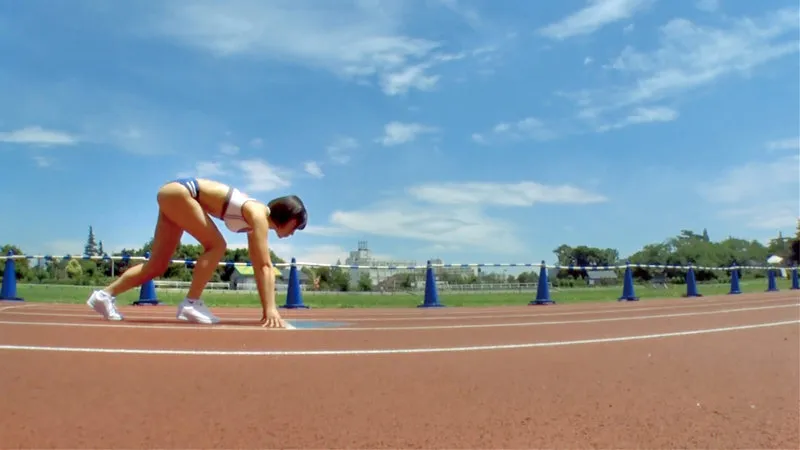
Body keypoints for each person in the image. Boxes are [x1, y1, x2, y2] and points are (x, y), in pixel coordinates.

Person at [86, 178, 307, 328]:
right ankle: (192, 302)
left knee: (158, 264)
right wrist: (271, 310)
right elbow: (266, 266)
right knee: (217, 245)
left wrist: (267, 310)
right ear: (289, 218)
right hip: (181, 192)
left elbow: (260, 266)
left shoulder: (254, 221)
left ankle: (103, 296)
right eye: (295, 227)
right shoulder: (258, 214)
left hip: (173, 194)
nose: (292, 233)